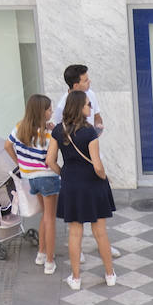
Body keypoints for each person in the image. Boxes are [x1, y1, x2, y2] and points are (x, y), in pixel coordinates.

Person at [46, 90, 117, 291]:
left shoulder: (58, 131)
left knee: (75, 233)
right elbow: (97, 166)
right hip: (93, 185)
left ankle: (76, 278)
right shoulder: (90, 132)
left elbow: (50, 161)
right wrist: (104, 178)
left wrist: (64, 174)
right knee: (100, 232)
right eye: (87, 104)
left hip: (71, 186)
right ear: (79, 107)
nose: (90, 107)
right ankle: (110, 274)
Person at [5, 94, 60, 274]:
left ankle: (41, 253)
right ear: (42, 112)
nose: (52, 112)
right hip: (48, 177)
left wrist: (20, 164)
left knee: (45, 215)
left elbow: (7, 145)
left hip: (31, 179)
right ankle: (49, 261)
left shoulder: (20, 127)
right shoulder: (50, 133)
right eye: (49, 109)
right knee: (50, 218)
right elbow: (52, 158)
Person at [54, 64, 103, 132]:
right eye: (86, 80)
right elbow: (60, 131)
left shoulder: (91, 94)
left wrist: (98, 127)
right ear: (76, 86)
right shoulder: (61, 107)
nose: (89, 81)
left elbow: (97, 116)